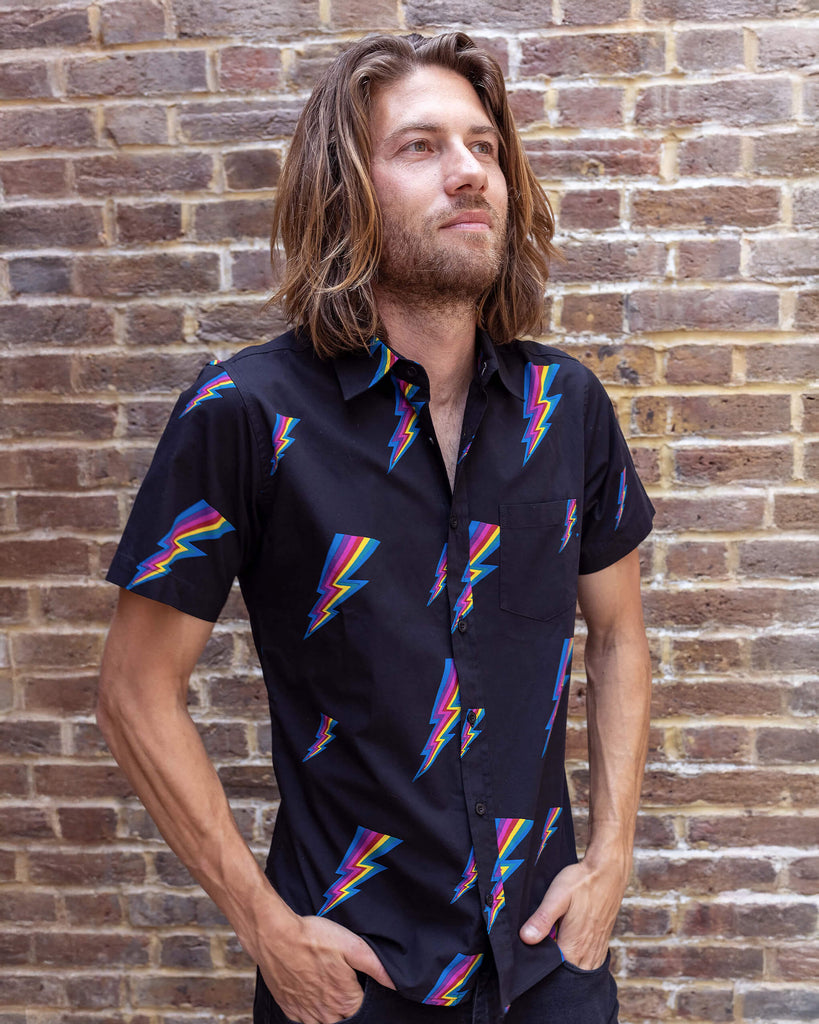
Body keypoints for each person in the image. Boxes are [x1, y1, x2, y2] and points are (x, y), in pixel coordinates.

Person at [98, 31, 654, 1024]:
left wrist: (609, 861)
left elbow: (618, 633)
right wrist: (264, 925)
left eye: (484, 148)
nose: (469, 173)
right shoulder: (246, 414)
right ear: (345, 189)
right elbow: (134, 691)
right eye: (422, 148)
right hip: (353, 980)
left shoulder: (565, 409)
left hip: (547, 965)